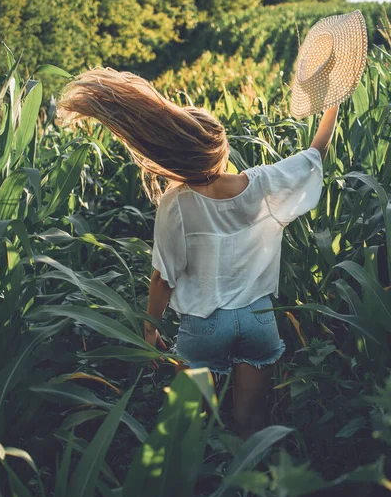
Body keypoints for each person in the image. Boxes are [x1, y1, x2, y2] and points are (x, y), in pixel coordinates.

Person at [56, 67, 340, 440]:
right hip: (258, 319)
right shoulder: (264, 185)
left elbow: (163, 277)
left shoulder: (176, 203)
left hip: (205, 325)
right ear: (220, 148)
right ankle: (248, 488)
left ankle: (195, 492)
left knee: (186, 430)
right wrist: (333, 98)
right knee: (249, 425)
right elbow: (316, 149)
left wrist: (150, 329)